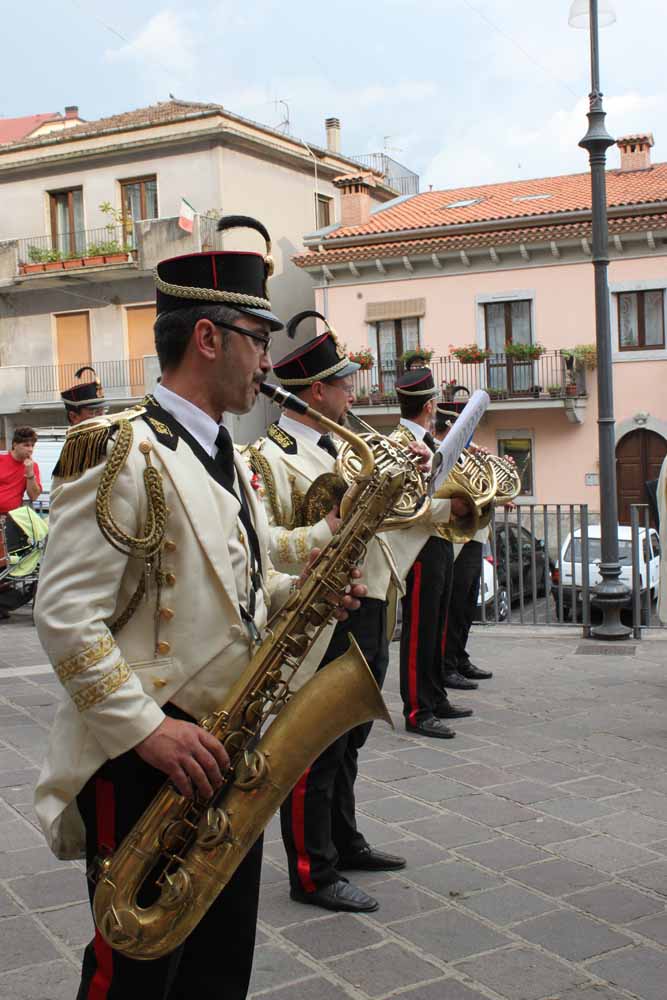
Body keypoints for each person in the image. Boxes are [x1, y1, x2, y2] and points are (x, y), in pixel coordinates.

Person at [33, 218, 365, 1000]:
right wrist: (147, 731)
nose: (268, 361)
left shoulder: (223, 453)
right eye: (259, 339)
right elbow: (66, 615)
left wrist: (302, 591)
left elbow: (232, 588)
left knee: (219, 969)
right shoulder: (121, 451)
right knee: (135, 974)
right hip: (147, 758)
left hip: (224, 747)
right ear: (209, 339)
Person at [245, 314, 455, 913]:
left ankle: (344, 839)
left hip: (368, 601)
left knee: (348, 738)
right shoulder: (264, 458)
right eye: (343, 386)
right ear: (316, 392)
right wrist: (324, 531)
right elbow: (262, 544)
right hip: (315, 617)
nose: (352, 397)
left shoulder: (348, 448)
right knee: (314, 746)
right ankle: (311, 870)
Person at [390, 369, 474, 739]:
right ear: (429, 405)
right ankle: (417, 709)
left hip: (441, 539)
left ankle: (436, 696)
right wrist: (448, 508)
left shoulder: (430, 441)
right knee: (420, 629)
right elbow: (404, 502)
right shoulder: (399, 443)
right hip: (418, 544)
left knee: (437, 624)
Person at [434, 403, 493, 685]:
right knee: (454, 606)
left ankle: (459, 656)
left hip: (475, 535)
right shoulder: (441, 456)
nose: (470, 437)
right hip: (456, 538)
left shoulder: (464, 457)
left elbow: (480, 493)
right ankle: (446, 665)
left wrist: (491, 478)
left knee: (467, 605)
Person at [0, 425, 42, 515]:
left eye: (32, 445)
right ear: (15, 445)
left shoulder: (33, 466)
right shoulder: (1, 460)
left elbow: (34, 496)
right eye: (26, 445)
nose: (30, 449)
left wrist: (30, 474)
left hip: (12, 516)